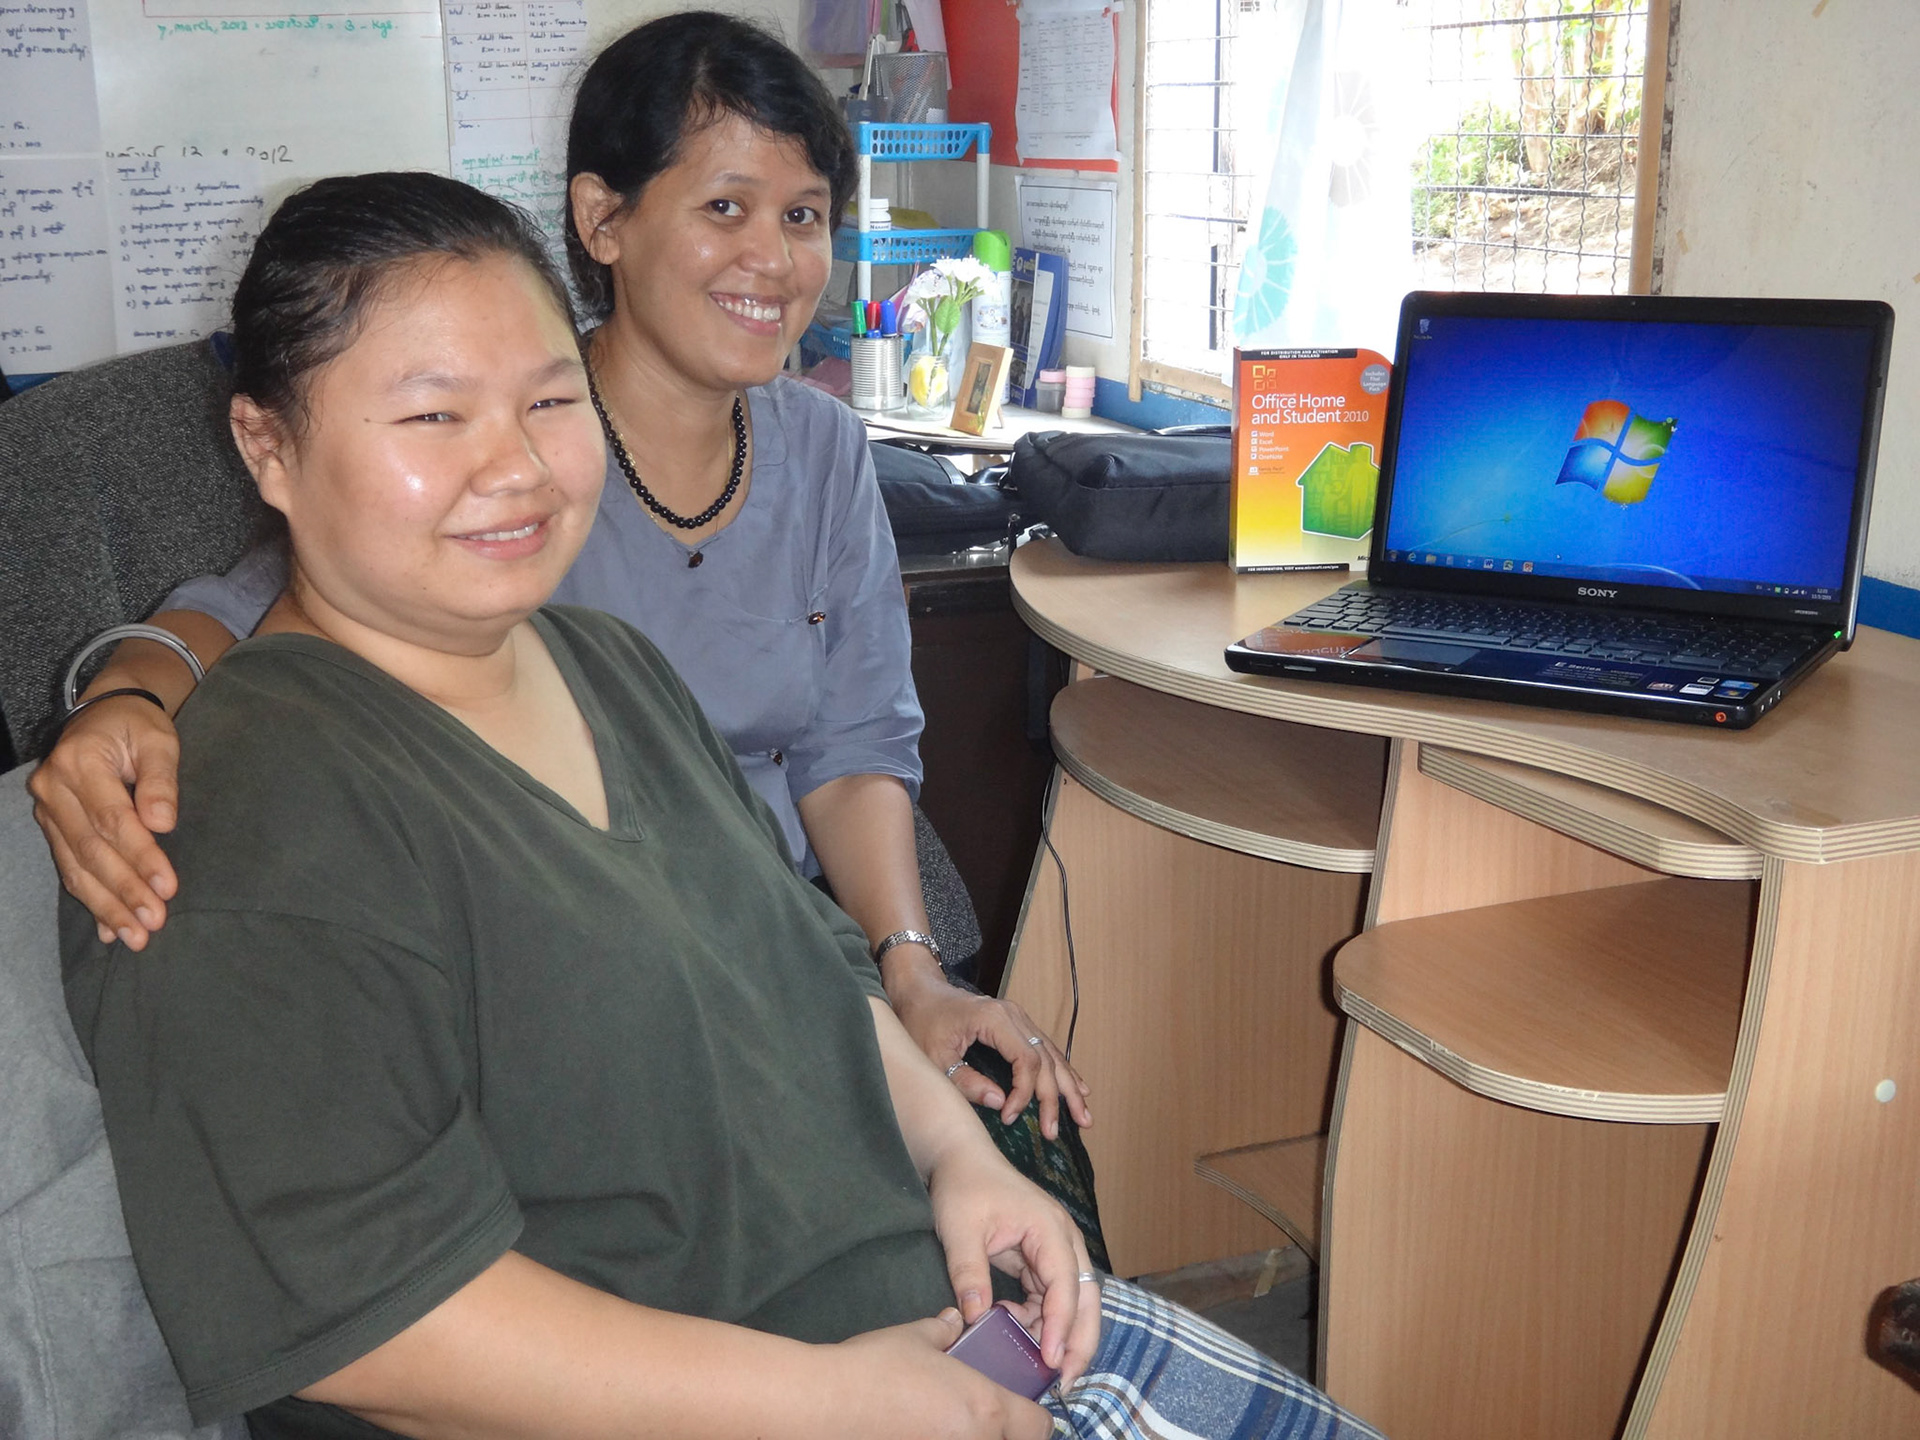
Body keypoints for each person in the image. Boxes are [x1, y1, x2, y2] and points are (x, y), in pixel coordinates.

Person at [61, 171, 1382, 1440]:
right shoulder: (246, 815)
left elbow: (803, 965)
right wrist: (833, 1409)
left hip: (937, 1332)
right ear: (267, 445)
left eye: (548, 401)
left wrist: (957, 1162)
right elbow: (378, 1330)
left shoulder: (607, 666)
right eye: (432, 417)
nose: (514, 468)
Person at [31, 9, 1101, 1249]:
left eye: (804, 215)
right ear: (602, 221)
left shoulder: (817, 447)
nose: (773, 257)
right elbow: (254, 612)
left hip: (785, 944)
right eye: (724, 207)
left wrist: (910, 972)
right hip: (576, 963)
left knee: (1032, 1159)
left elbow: (854, 745)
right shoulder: (513, 465)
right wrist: (123, 699)